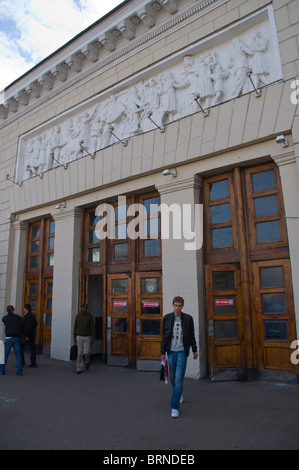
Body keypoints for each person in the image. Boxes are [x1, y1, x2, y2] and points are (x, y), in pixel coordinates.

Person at [161, 296, 198, 418]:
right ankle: (179, 392)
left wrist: (194, 350)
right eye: (175, 305)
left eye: (179, 305)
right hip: (171, 352)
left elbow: (191, 335)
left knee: (178, 379)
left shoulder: (188, 319)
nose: (177, 308)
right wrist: (162, 352)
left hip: (182, 351)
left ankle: (174, 406)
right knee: (172, 377)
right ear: (172, 305)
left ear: (182, 306)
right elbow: (164, 337)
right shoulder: (167, 318)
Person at [0, 305, 23, 376]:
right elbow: (21, 320)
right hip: (16, 338)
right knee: (18, 355)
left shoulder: (5, 318)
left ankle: (2, 369)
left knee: (5, 355)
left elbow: (4, 322)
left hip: (8, 338)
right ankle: (19, 370)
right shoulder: (17, 317)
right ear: (12, 310)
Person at [73, 304, 95, 374]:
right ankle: (79, 368)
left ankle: (87, 361)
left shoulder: (89, 316)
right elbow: (75, 327)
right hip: (79, 336)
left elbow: (92, 327)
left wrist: (92, 337)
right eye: (82, 308)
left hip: (87, 336)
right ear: (81, 309)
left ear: (86, 309)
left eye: (85, 308)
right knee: (79, 352)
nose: (83, 309)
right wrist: (74, 336)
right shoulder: (78, 316)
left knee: (87, 351)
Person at [22, 303, 38, 368]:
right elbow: (36, 324)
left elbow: (27, 326)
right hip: (32, 334)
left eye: (24, 308)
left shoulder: (27, 316)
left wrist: (27, 336)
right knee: (33, 349)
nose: (23, 310)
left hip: (27, 335)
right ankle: (33, 362)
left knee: (20, 348)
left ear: (26, 309)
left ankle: (22, 362)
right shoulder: (33, 315)